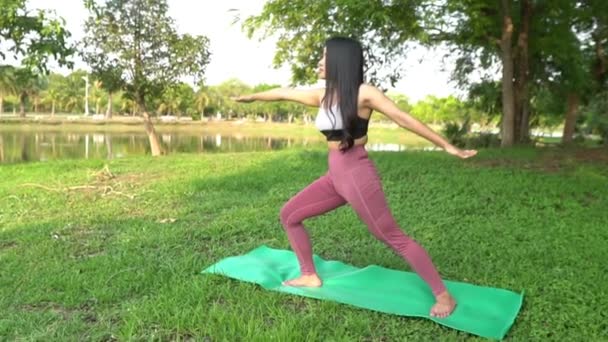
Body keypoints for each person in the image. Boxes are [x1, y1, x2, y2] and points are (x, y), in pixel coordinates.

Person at [233, 36, 477, 318]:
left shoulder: (364, 94)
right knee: (289, 215)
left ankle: (443, 295)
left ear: (340, 60)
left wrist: (447, 145)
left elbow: (403, 118)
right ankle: (309, 275)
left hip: (357, 174)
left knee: (392, 236)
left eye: (324, 56)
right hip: (335, 175)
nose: (319, 62)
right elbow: (283, 92)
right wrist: (251, 97)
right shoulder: (323, 94)